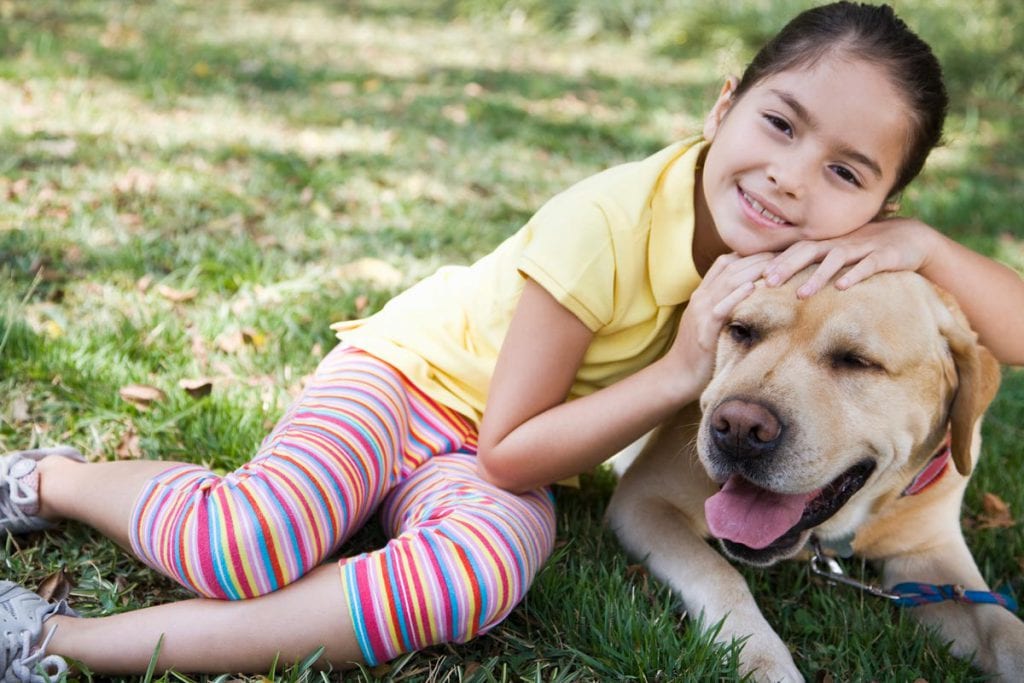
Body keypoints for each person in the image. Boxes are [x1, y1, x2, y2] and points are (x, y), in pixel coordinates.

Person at [2, 2, 1023, 680]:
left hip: (531, 455)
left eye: (849, 174)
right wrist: (678, 368)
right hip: (419, 387)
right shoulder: (605, 222)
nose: (795, 179)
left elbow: (1002, 335)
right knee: (253, 535)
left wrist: (928, 245)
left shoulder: (859, 272)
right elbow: (507, 443)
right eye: (779, 124)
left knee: (471, 585)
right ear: (724, 105)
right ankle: (49, 480)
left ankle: (56, 641)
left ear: (886, 207)